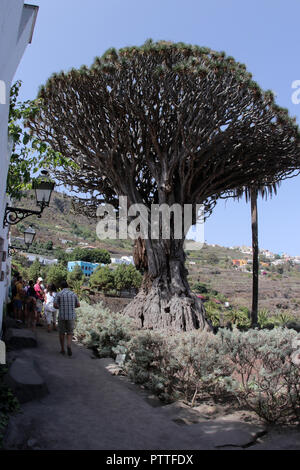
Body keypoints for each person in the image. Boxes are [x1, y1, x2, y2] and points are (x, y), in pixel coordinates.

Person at [53, 281, 80, 357]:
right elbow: (78, 304)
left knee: (61, 332)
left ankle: (62, 349)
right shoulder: (73, 294)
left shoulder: (59, 294)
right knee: (70, 332)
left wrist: (60, 307)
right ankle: (68, 345)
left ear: (61, 287)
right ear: (68, 286)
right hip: (71, 316)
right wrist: (71, 307)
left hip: (62, 316)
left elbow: (55, 305)